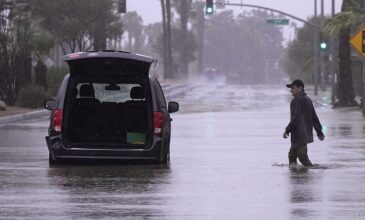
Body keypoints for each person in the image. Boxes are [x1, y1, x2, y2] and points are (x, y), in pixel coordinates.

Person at [283, 79, 325, 167]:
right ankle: (298, 177)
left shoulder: (296, 100)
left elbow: (296, 118)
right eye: (291, 88)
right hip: (304, 134)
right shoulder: (308, 100)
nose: (291, 90)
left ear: (300, 88)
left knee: (302, 158)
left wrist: (287, 129)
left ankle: (307, 177)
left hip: (299, 135)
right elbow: (314, 117)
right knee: (292, 157)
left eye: (293, 88)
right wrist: (319, 132)